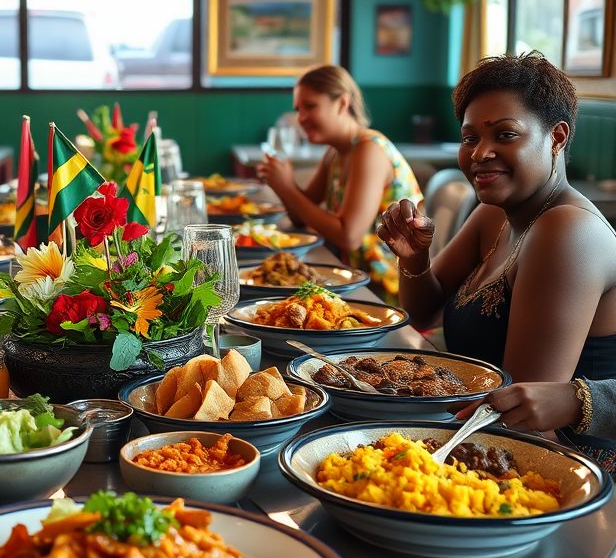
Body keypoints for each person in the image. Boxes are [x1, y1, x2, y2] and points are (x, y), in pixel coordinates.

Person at [378, 52, 616, 387]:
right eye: (469, 138)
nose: (479, 153)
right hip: (479, 420)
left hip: (552, 439)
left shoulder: (569, 231)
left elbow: (523, 403)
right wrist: (415, 257)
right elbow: (424, 311)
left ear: (557, 138)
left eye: (505, 134)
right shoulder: (493, 215)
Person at [256, 65, 422, 299]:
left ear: (343, 103)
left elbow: (350, 237)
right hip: (349, 276)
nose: (300, 118)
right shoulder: (335, 153)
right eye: (298, 109)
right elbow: (298, 216)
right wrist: (281, 184)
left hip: (383, 289)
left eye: (310, 107)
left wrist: (289, 189)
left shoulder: (369, 149)